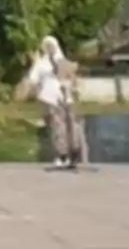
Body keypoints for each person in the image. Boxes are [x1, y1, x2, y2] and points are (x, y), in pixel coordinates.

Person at [26, 35, 84, 170]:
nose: (49, 48)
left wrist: (73, 86)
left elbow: (74, 79)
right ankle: (62, 154)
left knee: (71, 126)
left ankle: (73, 154)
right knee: (58, 127)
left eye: (51, 46)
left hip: (66, 98)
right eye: (47, 46)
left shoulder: (64, 62)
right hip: (51, 99)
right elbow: (33, 80)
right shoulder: (41, 63)